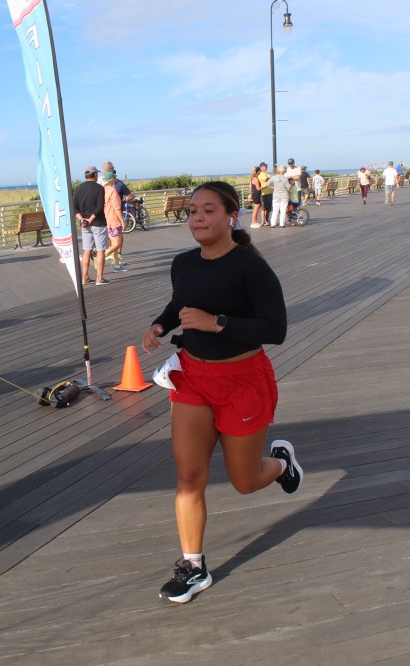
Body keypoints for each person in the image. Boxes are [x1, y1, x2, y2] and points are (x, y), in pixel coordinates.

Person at [142, 181, 301, 604]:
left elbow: (276, 329)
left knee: (244, 482)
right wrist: (160, 325)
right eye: (193, 211)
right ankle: (193, 566)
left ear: (232, 215)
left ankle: (281, 464)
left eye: (208, 210)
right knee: (188, 477)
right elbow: (179, 304)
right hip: (192, 379)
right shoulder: (183, 263)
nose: (198, 218)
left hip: (243, 382)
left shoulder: (249, 267)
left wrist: (218, 324)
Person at [73, 166, 109, 285]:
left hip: (85, 225)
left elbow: (74, 207)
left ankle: (85, 277)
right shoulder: (99, 188)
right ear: (95, 175)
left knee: (87, 250)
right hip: (98, 223)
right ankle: (99, 278)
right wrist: (91, 219)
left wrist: (82, 219)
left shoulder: (79, 188)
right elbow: (99, 207)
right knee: (100, 250)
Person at [103, 172, 127, 272]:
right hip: (114, 220)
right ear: (111, 180)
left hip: (107, 219)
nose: (115, 179)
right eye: (114, 178)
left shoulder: (103, 190)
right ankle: (99, 257)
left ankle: (117, 265)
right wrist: (122, 221)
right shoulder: (113, 191)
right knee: (117, 244)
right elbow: (117, 208)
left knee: (114, 244)